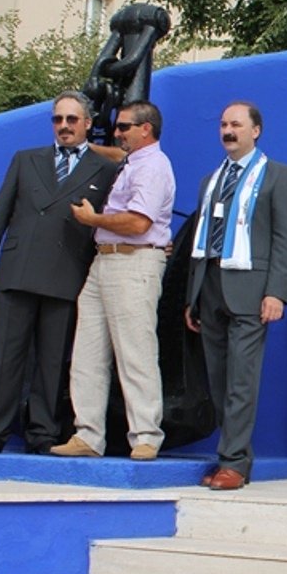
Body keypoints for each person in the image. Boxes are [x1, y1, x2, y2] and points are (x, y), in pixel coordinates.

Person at [0, 91, 119, 455]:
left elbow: (117, 211)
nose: (64, 126)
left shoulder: (105, 169)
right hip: (19, 270)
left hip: (67, 274)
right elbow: (0, 211)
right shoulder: (26, 159)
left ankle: (42, 434)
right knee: (4, 358)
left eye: (72, 119)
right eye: (58, 119)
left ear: (87, 123)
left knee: (52, 362)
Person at [51, 100, 176, 461]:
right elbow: (115, 154)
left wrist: (93, 220)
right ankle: (88, 434)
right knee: (87, 353)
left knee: (136, 353)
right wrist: (82, 145)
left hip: (134, 261)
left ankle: (146, 436)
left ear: (145, 129)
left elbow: (139, 222)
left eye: (123, 127)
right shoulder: (132, 161)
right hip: (105, 261)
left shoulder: (153, 167)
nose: (117, 133)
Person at [185, 101, 287, 490]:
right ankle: (230, 456)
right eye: (223, 124)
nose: (228, 131)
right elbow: (199, 240)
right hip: (211, 287)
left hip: (251, 290)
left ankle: (234, 462)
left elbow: (285, 238)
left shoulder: (277, 176)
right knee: (217, 380)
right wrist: (193, 297)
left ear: (256, 131)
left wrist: (277, 292)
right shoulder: (211, 179)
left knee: (241, 380)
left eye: (236, 124)